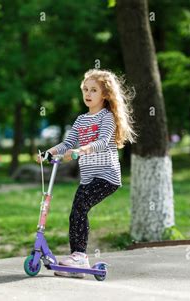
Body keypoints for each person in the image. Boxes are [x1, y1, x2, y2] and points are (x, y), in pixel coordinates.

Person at [36, 69, 137, 278]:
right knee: (76, 211)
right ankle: (78, 260)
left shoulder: (106, 117)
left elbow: (101, 142)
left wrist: (81, 150)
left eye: (93, 90)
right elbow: (68, 143)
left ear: (105, 95)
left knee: (80, 206)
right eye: (85, 89)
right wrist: (48, 153)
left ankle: (80, 255)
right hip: (89, 177)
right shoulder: (81, 119)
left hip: (107, 176)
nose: (88, 94)